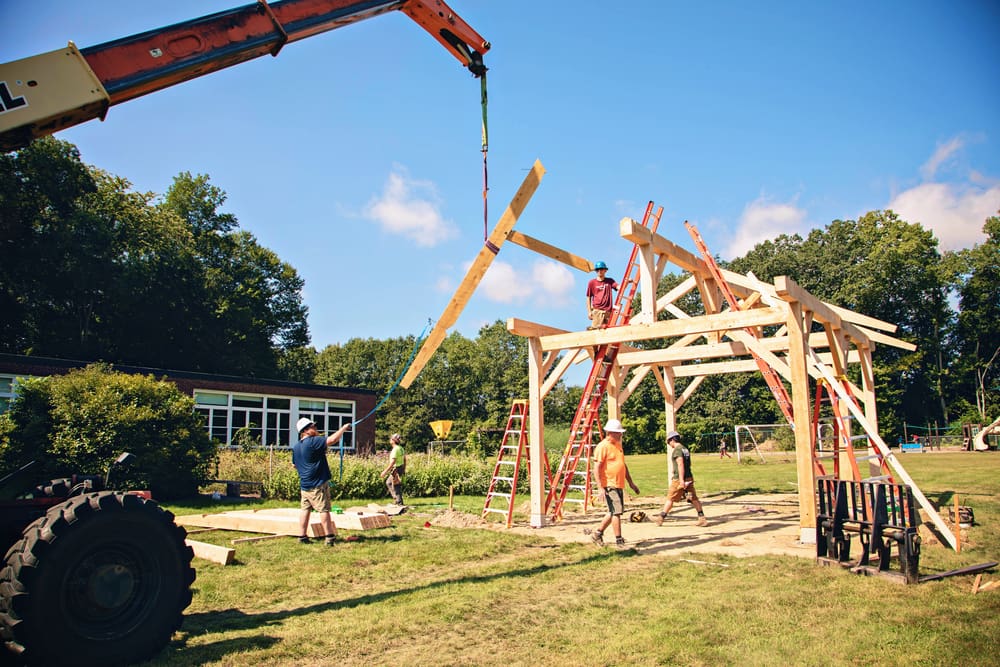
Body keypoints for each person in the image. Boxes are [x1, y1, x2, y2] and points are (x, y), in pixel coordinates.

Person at [292, 417, 352, 545]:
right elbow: (332, 440)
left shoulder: (296, 447)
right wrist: (344, 428)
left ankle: (302, 537)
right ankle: (329, 537)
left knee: (305, 510)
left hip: (305, 484)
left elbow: (294, 465)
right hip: (317, 484)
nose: (316, 429)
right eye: (313, 427)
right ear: (306, 430)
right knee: (324, 510)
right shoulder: (313, 441)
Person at [591, 418, 640, 549]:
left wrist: (631, 483)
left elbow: (622, 465)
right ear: (610, 433)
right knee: (616, 512)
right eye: (618, 432)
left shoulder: (618, 445)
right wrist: (601, 487)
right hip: (609, 484)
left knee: (613, 511)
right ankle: (619, 540)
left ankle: (597, 533)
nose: (621, 435)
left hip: (618, 484)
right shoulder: (603, 447)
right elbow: (596, 468)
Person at [656, 430, 708, 527]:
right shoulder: (685, 449)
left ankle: (661, 518)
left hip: (679, 479)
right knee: (694, 498)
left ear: (672, 440)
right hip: (689, 477)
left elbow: (680, 464)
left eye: (668, 442)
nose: (668, 444)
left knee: (670, 498)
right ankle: (702, 518)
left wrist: (681, 480)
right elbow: (688, 464)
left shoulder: (677, 450)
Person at [585, 261, 619, 330]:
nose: (599, 271)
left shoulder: (610, 281)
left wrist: (627, 282)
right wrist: (589, 312)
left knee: (608, 333)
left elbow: (619, 287)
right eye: (597, 270)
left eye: (601, 269)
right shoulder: (592, 283)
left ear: (605, 270)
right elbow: (588, 298)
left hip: (608, 313)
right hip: (597, 311)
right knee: (596, 333)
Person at [380, 433, 407, 505]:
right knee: (390, 483)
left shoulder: (395, 449)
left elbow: (392, 462)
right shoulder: (401, 448)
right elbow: (404, 460)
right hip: (400, 467)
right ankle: (397, 500)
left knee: (395, 485)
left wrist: (384, 472)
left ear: (393, 440)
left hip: (396, 469)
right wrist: (404, 469)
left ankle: (399, 502)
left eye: (391, 439)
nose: (390, 440)